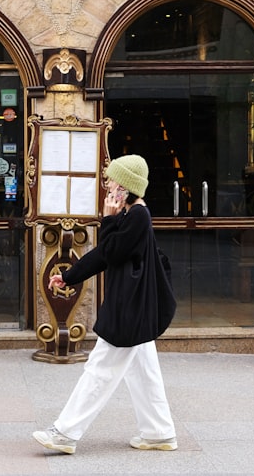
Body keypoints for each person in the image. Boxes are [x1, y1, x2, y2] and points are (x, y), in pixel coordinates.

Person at [33, 154, 177, 455]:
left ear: (125, 186)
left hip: (129, 309)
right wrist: (68, 276)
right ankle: (159, 432)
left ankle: (65, 433)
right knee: (144, 372)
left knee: (99, 370)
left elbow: (111, 253)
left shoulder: (137, 216)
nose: (107, 183)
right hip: (135, 308)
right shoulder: (131, 215)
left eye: (112, 179)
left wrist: (108, 219)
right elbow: (102, 255)